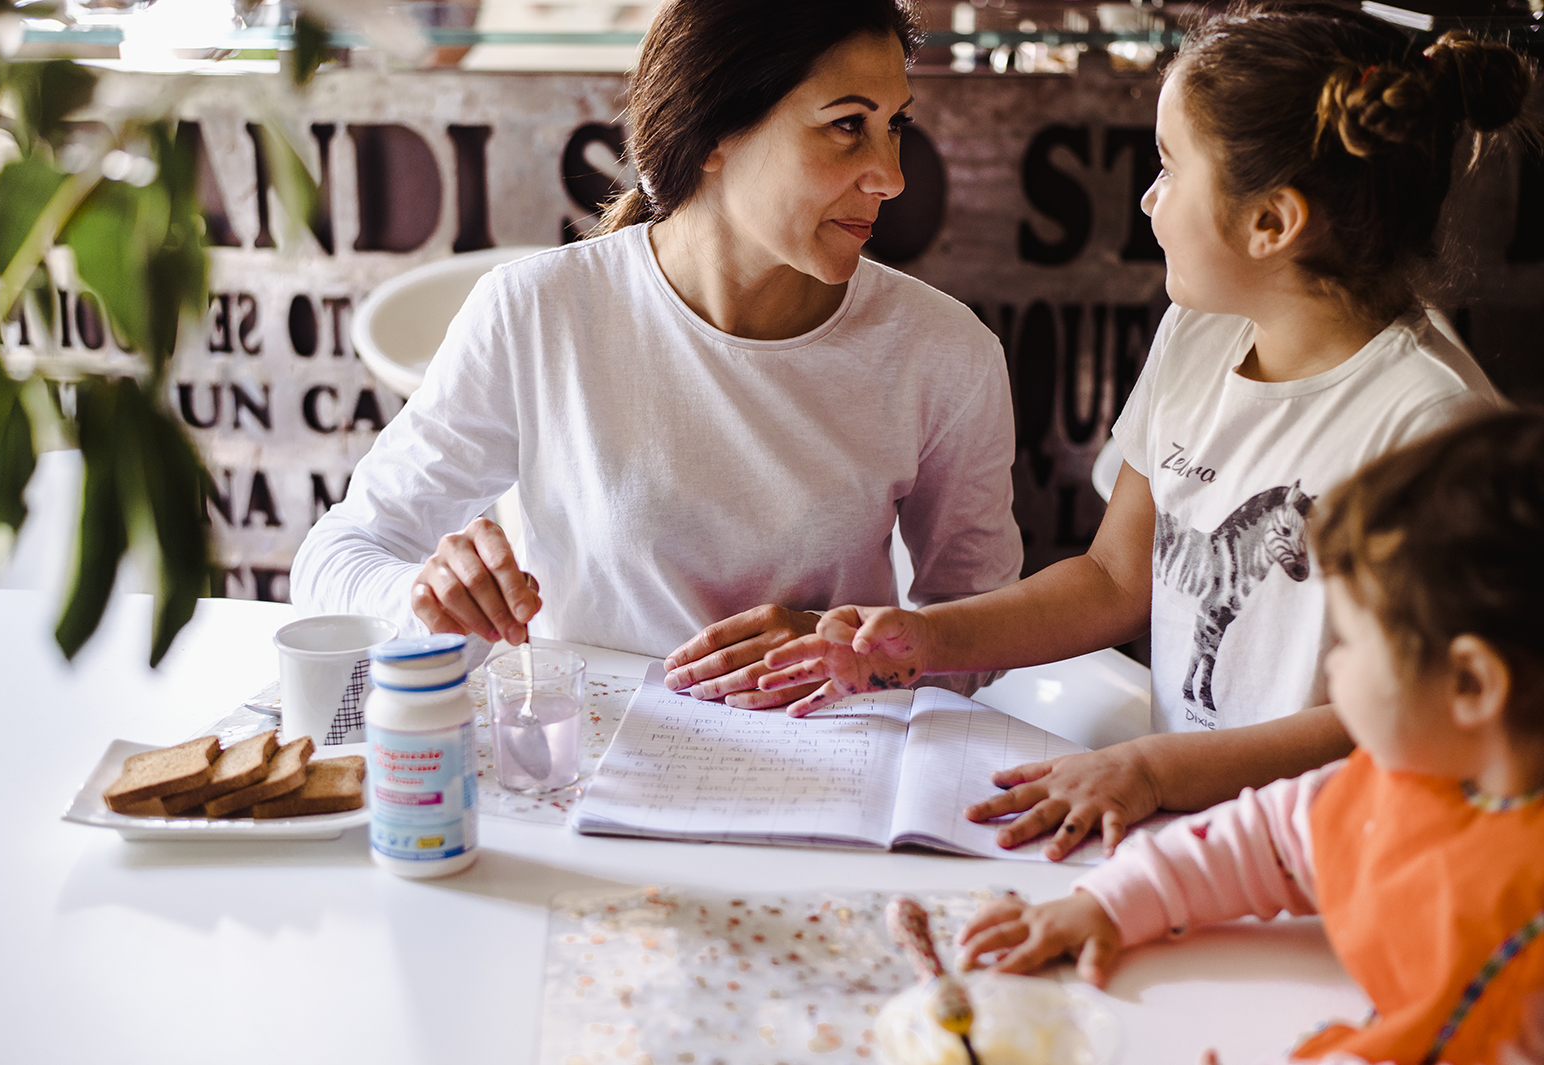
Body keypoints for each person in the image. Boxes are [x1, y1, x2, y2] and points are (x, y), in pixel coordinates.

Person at [759, 2, 1532, 856]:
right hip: (1187, 838)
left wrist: (1158, 771)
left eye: (1169, 166)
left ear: (1271, 222)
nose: (1148, 197)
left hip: (1334, 862)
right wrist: (922, 639)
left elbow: (1397, 721)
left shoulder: (1431, 424)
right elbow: (1114, 576)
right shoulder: (1199, 332)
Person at [290, 0, 1023, 707]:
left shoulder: (946, 356)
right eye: (846, 127)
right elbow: (337, 555)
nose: (891, 176)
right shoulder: (537, 314)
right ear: (712, 136)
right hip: (575, 771)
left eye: (894, 125)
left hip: (828, 782)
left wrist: (856, 655)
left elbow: (986, 627)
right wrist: (422, 596)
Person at [953, 409, 1544, 1065]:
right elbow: (1269, 836)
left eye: (1349, 643)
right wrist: (1112, 902)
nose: (1332, 666)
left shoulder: (1518, 927)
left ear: (1470, 684)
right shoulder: (1409, 775)